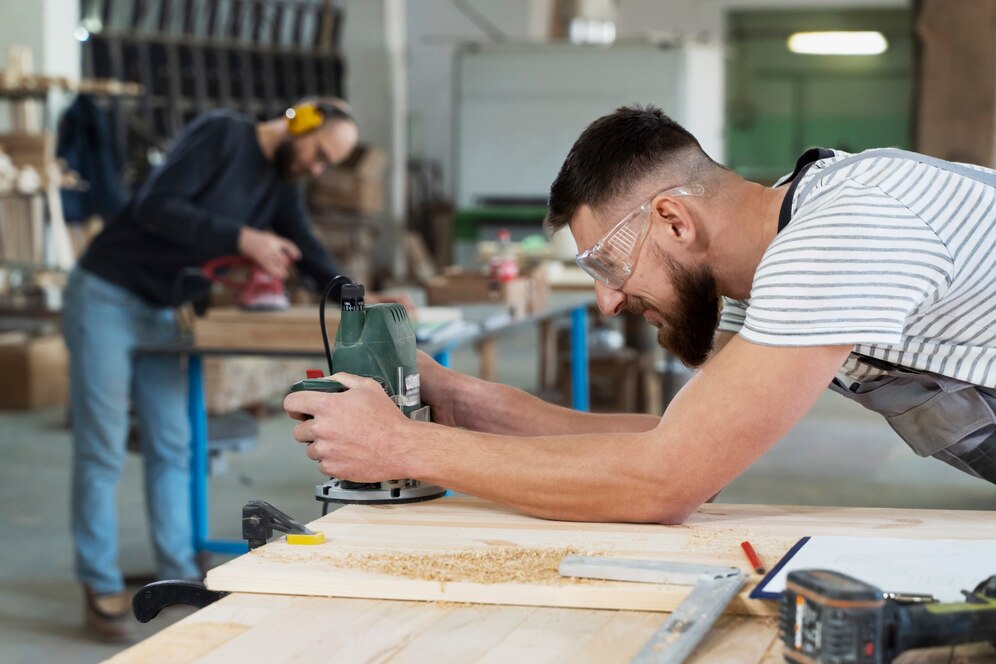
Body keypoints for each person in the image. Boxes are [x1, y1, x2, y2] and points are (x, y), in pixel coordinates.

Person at [284, 104, 996, 529]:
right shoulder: (778, 252)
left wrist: (400, 448)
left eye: (606, 264)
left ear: (673, 220)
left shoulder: (843, 231)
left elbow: (668, 482)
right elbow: (682, 446)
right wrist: (462, 398)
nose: (608, 300)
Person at [64, 97, 407, 641]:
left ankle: (175, 569)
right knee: (102, 446)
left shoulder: (282, 182)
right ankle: (98, 581)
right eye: (319, 154)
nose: (317, 169)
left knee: (174, 443)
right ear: (301, 122)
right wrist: (243, 239)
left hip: (164, 310)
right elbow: (157, 204)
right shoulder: (222, 135)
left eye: (327, 165)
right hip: (107, 295)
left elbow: (307, 247)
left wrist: (354, 297)